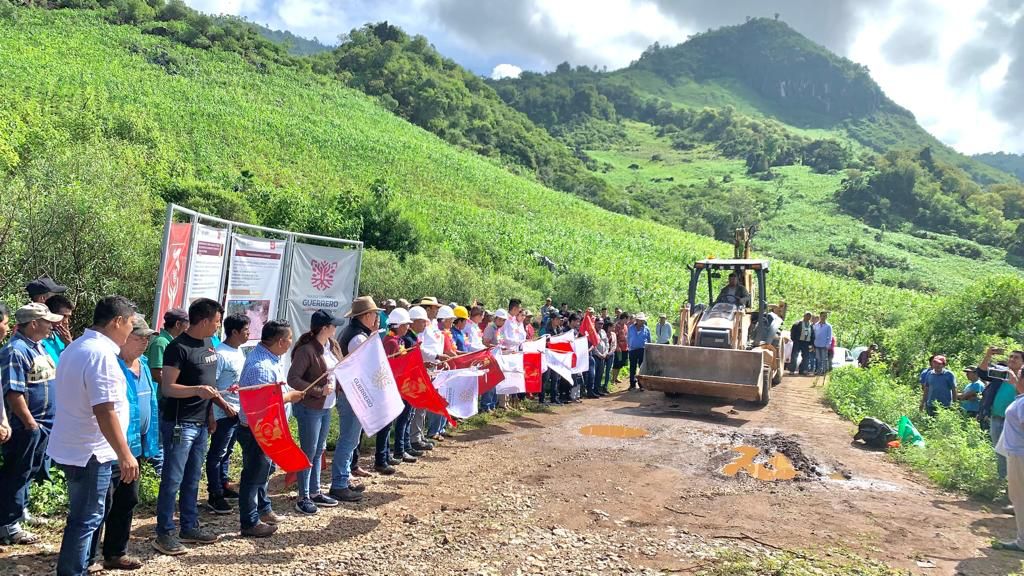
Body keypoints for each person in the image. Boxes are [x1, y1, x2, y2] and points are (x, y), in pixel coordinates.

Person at [48, 296, 139, 576]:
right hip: (91, 451)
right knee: (86, 519)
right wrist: (125, 454)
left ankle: (81, 567)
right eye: (131, 324)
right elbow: (105, 410)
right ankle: (73, 570)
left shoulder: (76, 347)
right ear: (117, 321)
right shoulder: (100, 355)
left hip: (75, 446)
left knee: (84, 516)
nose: (131, 331)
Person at [154, 298, 232, 556]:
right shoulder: (178, 348)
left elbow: (209, 386)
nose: (218, 327)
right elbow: (168, 387)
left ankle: (189, 526)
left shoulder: (209, 345)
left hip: (200, 423)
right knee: (173, 479)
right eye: (217, 322)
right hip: (180, 423)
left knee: (192, 479)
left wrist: (210, 414)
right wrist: (196, 390)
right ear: (205, 320)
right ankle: (164, 533)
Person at [91, 314, 161, 571]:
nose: (145, 342)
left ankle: (116, 552)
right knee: (101, 504)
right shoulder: (110, 364)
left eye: (147, 338)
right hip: (111, 447)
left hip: (137, 445)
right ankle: (87, 558)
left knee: (127, 499)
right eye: (139, 337)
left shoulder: (142, 364)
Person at [0, 303, 61, 546]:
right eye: (47, 322)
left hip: (43, 423)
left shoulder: (39, 348)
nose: (51, 326)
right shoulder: (16, 351)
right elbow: (14, 393)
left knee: (31, 469)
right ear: (34, 323)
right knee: (17, 471)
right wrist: (29, 422)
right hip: (27, 425)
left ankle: (20, 510)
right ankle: (8, 524)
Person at [237, 321, 304, 538]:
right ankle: (249, 522)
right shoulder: (261, 367)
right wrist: (290, 397)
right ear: (281, 341)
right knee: (253, 475)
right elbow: (262, 404)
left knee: (265, 471)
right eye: (290, 338)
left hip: (269, 428)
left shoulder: (271, 358)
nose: (291, 343)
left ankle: (263, 509)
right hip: (258, 430)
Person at [287, 310, 344, 515]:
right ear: (324, 328)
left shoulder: (332, 346)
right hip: (310, 407)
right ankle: (303, 496)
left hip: (326, 406)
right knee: (308, 451)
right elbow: (293, 379)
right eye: (333, 325)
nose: (336, 328)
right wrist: (319, 390)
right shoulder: (307, 350)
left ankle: (315, 490)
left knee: (319, 450)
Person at [330, 296, 383, 503]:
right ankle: (340, 483)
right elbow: (365, 367)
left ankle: (343, 479)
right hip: (352, 393)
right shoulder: (358, 338)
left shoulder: (353, 333)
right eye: (374, 314)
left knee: (350, 438)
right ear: (366, 315)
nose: (376, 318)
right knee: (349, 439)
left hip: (350, 392)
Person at [204, 314, 249, 515]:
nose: (249, 334)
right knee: (217, 453)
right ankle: (214, 494)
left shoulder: (239, 352)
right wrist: (222, 407)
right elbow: (210, 386)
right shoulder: (220, 354)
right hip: (222, 412)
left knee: (228, 451)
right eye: (246, 330)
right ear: (234, 332)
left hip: (236, 411)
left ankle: (223, 484)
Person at [979, 347, 1024, 486]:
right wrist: (988, 355)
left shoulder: (1022, 379)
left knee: (1013, 453)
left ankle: (1014, 484)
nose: (1012, 359)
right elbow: (982, 373)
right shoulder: (1001, 373)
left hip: (1015, 422)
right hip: (996, 417)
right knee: (999, 450)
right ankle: (1002, 480)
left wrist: (1015, 381)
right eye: (1010, 356)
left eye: (1016, 357)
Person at [994, 366, 1024, 552]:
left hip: (1020, 455)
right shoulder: (1021, 399)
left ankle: (1022, 541)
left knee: (1019, 498)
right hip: (1018, 453)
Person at [383, 308, 418, 464]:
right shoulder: (390, 342)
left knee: (404, 418)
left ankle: (398, 450)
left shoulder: (398, 341)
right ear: (397, 325)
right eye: (405, 325)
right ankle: (394, 452)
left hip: (401, 384)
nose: (407, 328)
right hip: (395, 386)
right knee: (397, 420)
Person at [145, 308, 189, 388]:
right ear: (178, 324)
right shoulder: (161, 342)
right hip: (160, 397)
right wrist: (175, 390)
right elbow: (157, 373)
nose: (188, 328)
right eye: (187, 324)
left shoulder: (173, 342)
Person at [41, 294, 75, 364]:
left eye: (68, 317)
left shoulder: (61, 337)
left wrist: (69, 344)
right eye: (63, 316)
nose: (66, 322)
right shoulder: (38, 339)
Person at [627, 313, 651, 391]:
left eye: (643, 320)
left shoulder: (646, 329)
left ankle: (641, 385)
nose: (642, 322)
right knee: (632, 368)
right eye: (641, 320)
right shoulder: (631, 328)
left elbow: (649, 340)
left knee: (641, 368)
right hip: (632, 350)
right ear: (637, 320)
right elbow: (628, 337)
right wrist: (629, 346)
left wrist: (648, 349)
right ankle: (632, 384)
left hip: (642, 350)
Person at [593, 318, 610, 396]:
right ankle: (592, 390)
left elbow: (606, 342)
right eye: (599, 323)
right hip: (595, 356)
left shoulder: (603, 331)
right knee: (594, 374)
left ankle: (597, 389)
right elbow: (593, 345)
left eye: (602, 324)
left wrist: (606, 353)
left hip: (603, 356)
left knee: (600, 374)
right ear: (595, 323)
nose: (600, 325)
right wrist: (599, 354)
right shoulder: (592, 332)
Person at [813, 311, 833, 376]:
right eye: (822, 316)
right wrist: (813, 344)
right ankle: (818, 370)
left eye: (825, 316)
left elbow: (830, 336)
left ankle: (824, 371)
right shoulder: (816, 325)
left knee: (824, 359)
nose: (823, 317)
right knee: (818, 358)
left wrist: (828, 344)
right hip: (816, 344)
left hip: (824, 345)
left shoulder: (828, 326)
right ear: (820, 316)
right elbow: (813, 335)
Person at [612, 312, 629, 385]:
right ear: (624, 318)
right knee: (617, 363)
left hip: (625, 347)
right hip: (619, 348)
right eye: (627, 319)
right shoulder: (617, 326)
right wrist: (617, 346)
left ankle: (616, 378)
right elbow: (614, 337)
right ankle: (613, 379)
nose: (627, 321)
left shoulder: (625, 326)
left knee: (621, 363)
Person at [603, 322, 616, 392]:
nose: (613, 329)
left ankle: (605, 386)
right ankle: (599, 385)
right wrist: (605, 354)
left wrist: (609, 353)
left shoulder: (613, 334)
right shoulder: (603, 333)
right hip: (602, 355)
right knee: (601, 371)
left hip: (610, 355)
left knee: (608, 371)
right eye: (612, 327)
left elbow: (614, 345)